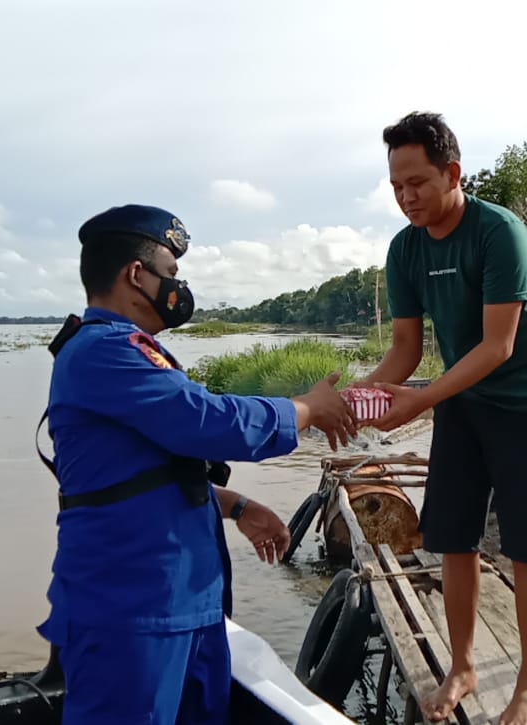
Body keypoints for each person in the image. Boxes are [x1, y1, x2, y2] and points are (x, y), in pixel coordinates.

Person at [34, 203, 358, 724]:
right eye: (172, 274)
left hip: (185, 604)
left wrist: (233, 504)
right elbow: (205, 420)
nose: (178, 288)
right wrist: (304, 410)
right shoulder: (101, 352)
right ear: (136, 275)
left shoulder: (138, 352)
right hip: (131, 611)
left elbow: (143, 473)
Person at [358, 112, 527, 725]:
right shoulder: (406, 249)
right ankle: (463, 667)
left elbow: (497, 346)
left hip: (521, 402)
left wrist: (420, 400)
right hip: (460, 403)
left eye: (417, 182)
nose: (406, 197)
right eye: (396, 186)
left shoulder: (500, 233)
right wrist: (354, 397)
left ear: (452, 172)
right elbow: (406, 349)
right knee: (452, 537)